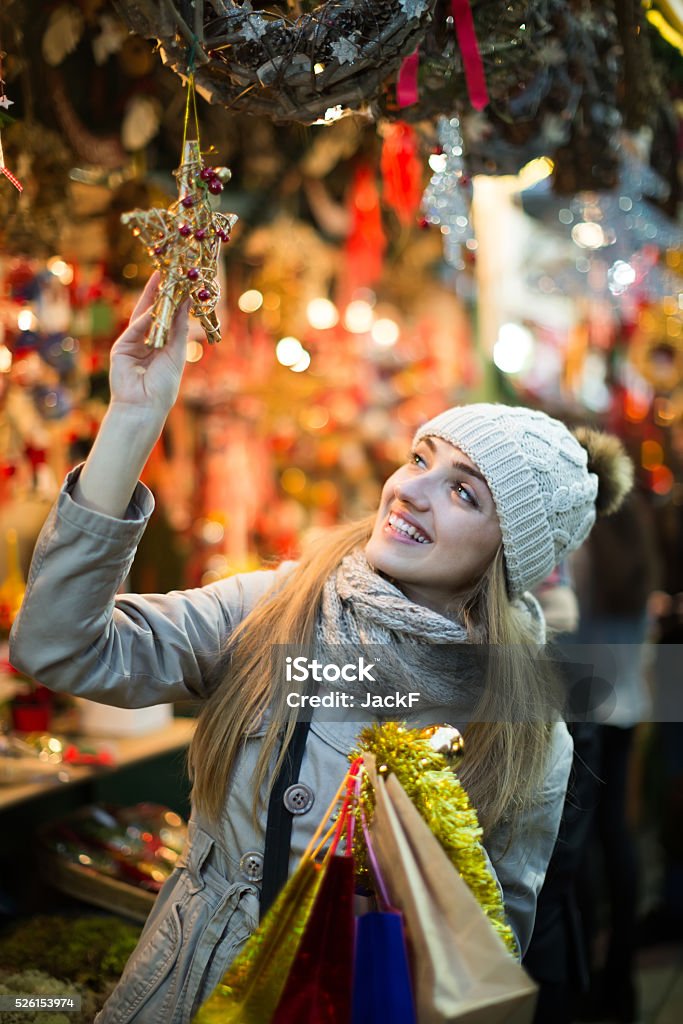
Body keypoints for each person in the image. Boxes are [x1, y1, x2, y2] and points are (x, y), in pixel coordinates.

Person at [10, 274, 634, 1024]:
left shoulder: (522, 724)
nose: (410, 490)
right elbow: (58, 648)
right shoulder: (280, 604)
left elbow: (488, 950)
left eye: (464, 491)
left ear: (509, 557)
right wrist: (134, 419)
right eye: (418, 458)